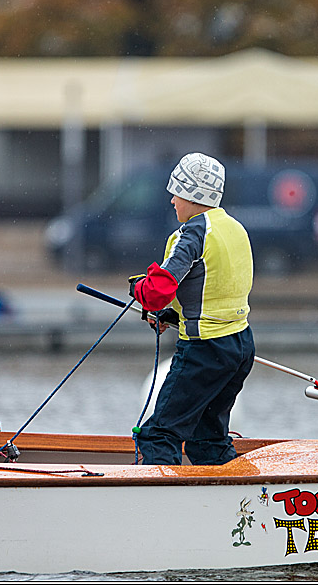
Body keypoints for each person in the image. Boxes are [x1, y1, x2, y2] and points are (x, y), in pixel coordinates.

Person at [129, 152, 255, 466]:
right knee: (207, 437)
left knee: (159, 434)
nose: (172, 200)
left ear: (191, 195)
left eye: (177, 192)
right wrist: (171, 315)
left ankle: (159, 508)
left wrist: (137, 288)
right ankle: (228, 498)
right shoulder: (235, 229)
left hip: (204, 351)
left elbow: (157, 292)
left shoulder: (191, 235)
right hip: (240, 347)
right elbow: (213, 288)